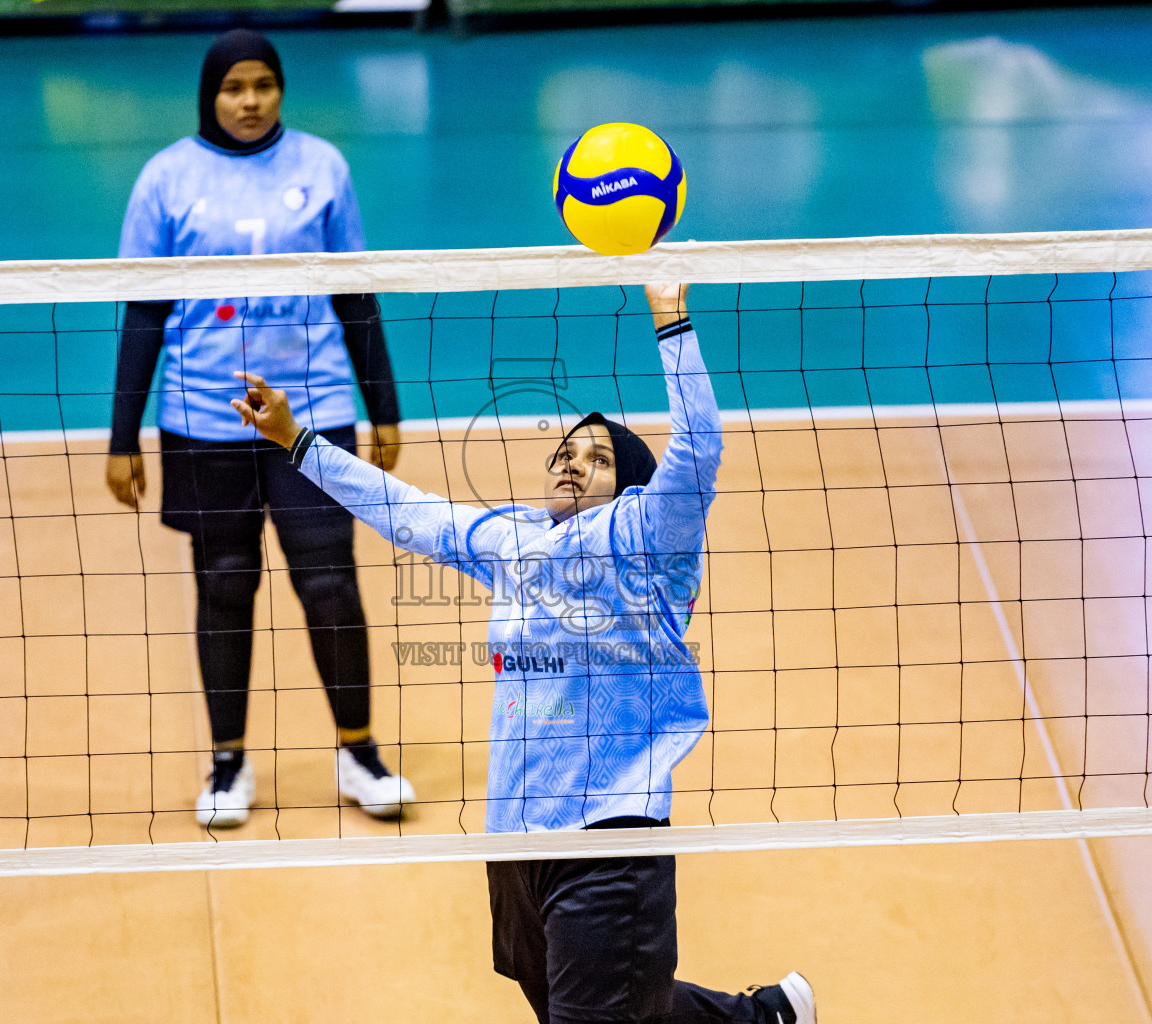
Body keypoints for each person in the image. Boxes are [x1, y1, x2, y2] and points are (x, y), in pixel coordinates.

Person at [229, 283, 818, 1024]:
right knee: (607, 1004)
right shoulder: (514, 542)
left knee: (594, 1010)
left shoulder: (646, 540)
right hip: (515, 841)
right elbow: (408, 515)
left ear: (630, 486)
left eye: (596, 459)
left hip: (607, 838)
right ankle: (761, 1018)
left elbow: (698, 449)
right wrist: (297, 442)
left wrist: (672, 318)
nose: (570, 464)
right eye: (563, 452)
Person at [106, 28, 414, 828]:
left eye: (264, 86)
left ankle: (359, 752)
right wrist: (120, 434)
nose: (250, 101)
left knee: (330, 581)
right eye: (235, 88)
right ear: (210, 95)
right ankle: (228, 764)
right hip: (200, 419)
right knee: (224, 585)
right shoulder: (166, 179)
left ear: (281, 90)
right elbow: (142, 312)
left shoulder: (322, 168)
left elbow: (355, 294)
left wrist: (383, 406)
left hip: (309, 414)